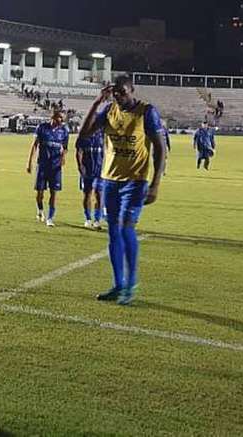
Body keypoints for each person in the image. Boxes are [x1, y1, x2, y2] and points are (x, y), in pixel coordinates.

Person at [80, 75, 166, 305]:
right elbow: (83, 134)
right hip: (110, 181)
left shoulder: (147, 112)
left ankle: (131, 283)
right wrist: (97, 102)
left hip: (135, 182)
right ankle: (118, 285)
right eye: (115, 93)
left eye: (123, 92)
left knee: (126, 227)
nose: (118, 96)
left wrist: (155, 184)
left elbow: (160, 149)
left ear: (132, 90)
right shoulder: (108, 110)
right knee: (113, 233)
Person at [26, 109, 69, 227]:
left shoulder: (64, 131)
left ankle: (50, 218)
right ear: (53, 117)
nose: (61, 120)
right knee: (40, 192)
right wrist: (29, 162)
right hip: (43, 165)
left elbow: (65, 147)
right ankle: (40, 211)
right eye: (59, 118)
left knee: (54, 193)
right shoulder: (42, 128)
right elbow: (34, 145)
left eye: (62, 119)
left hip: (55, 166)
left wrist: (63, 157)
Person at [76, 127, 104, 229]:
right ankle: (88, 219)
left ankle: (97, 220)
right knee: (87, 194)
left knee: (99, 194)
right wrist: (80, 166)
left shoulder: (102, 135)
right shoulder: (83, 135)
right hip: (87, 171)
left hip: (100, 171)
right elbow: (79, 152)